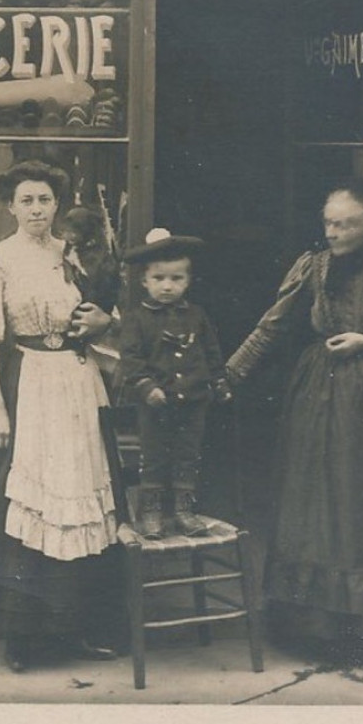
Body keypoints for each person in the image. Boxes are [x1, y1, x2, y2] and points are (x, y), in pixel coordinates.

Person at [225, 180, 363, 655]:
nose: (333, 232)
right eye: (328, 221)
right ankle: (315, 628)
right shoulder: (312, 268)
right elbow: (271, 326)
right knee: (315, 510)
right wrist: (229, 375)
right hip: (316, 403)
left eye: (345, 223)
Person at [0, 160, 124, 673]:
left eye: (45, 200)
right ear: (10, 206)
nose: (36, 210)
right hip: (28, 388)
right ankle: (23, 635)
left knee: (82, 501)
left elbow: (103, 315)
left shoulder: (73, 257)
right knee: (29, 502)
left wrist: (105, 319)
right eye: (26, 201)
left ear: (57, 205)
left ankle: (79, 629)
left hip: (77, 381)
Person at [118, 229, 231, 539]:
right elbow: (130, 360)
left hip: (193, 402)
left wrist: (218, 382)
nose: (167, 286)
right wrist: (146, 387)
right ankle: (151, 513)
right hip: (155, 404)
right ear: (144, 281)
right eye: (159, 278)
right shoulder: (136, 319)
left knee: (187, 455)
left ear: (188, 281)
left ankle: (184, 511)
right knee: (153, 456)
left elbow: (210, 352)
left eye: (176, 278)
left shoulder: (197, 315)